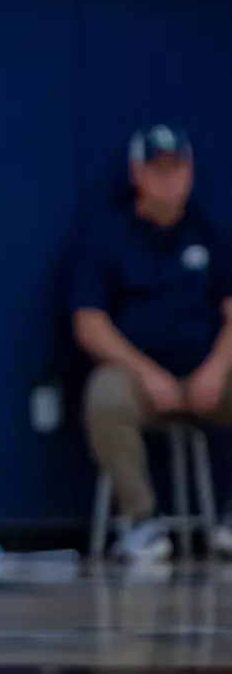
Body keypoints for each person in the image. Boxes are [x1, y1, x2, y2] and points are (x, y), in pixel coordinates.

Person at [74, 125, 232, 562]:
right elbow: (89, 323)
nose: (169, 179)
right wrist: (147, 373)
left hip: (206, 372)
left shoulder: (211, 233)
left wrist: (216, 369)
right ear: (137, 173)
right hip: (138, 376)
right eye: (158, 170)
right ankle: (142, 520)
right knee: (104, 397)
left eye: (177, 169)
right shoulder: (107, 235)